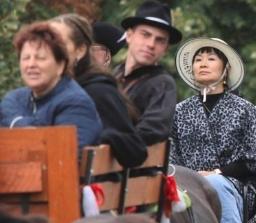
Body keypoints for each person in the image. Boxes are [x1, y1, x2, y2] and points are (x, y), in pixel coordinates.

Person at [169, 37, 256, 223]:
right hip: (188, 187)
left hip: (235, 189)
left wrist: (218, 173)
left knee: (216, 183)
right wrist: (194, 178)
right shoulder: (179, 111)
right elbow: (172, 160)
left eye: (210, 58)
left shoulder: (243, 109)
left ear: (225, 69)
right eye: (198, 60)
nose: (203, 63)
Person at [51, 14, 146, 168]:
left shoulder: (97, 92)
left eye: (60, 44)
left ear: (80, 51)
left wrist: (100, 136)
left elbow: (134, 152)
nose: (51, 51)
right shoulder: (43, 92)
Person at [0, 22, 101, 149]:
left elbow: (61, 154)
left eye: (40, 58)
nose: (31, 64)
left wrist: (16, 125)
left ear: (61, 65)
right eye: (26, 58)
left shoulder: (76, 103)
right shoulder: (14, 99)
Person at [114, 0, 181, 146]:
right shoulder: (114, 75)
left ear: (165, 48)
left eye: (160, 40)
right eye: (145, 34)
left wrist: (111, 142)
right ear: (129, 36)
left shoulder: (163, 83)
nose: (151, 44)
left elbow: (151, 132)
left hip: (133, 165)